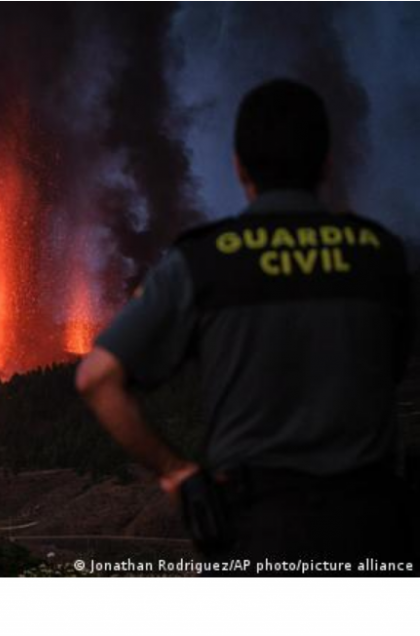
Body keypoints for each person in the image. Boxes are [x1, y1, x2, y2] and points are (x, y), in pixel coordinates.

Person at [77, 79, 416, 574]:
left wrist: (177, 473)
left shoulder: (205, 260)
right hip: (372, 531)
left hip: (258, 534)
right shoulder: (381, 256)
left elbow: (95, 377)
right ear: (326, 162)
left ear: (238, 166)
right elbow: (392, 366)